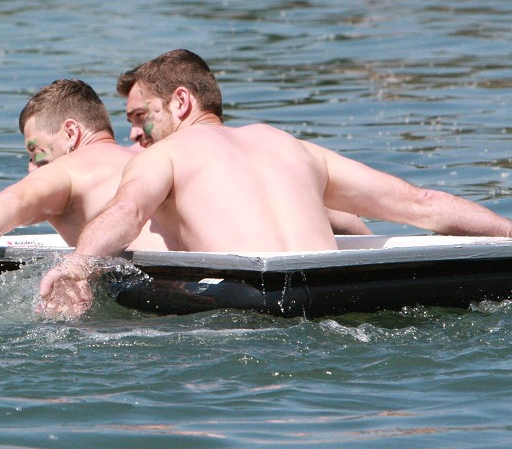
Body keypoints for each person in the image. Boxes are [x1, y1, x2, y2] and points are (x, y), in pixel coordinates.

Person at [39, 49, 512, 316]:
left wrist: (79, 264)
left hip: (256, 308)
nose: (137, 134)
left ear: (181, 101)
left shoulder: (166, 156)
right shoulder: (292, 147)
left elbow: (127, 213)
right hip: (344, 294)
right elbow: (422, 203)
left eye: (144, 115)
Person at [0, 79, 172, 286]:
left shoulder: (71, 168)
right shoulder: (149, 156)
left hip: (153, 287)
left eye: (36, 150)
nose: (32, 166)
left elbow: (11, 203)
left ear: (71, 133)